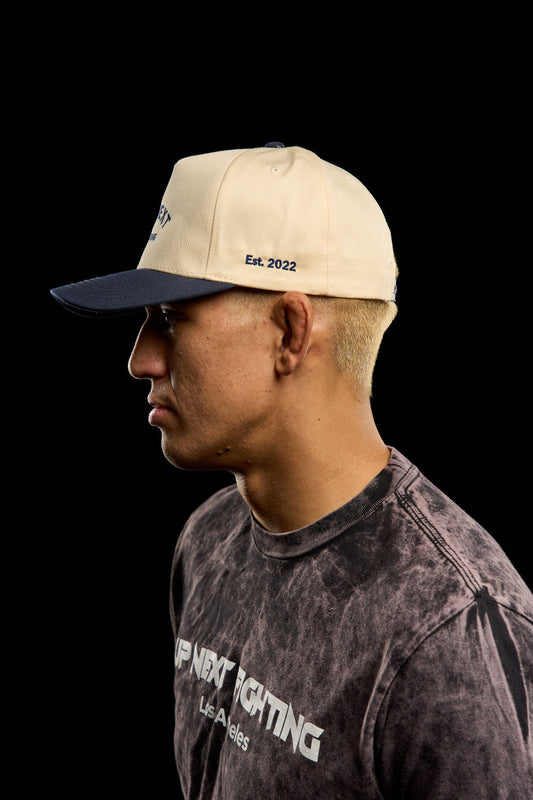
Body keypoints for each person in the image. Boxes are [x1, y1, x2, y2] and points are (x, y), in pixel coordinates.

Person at [51, 143, 533, 799]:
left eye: (169, 319)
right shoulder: (209, 541)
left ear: (289, 331)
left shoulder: (450, 627)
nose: (141, 361)